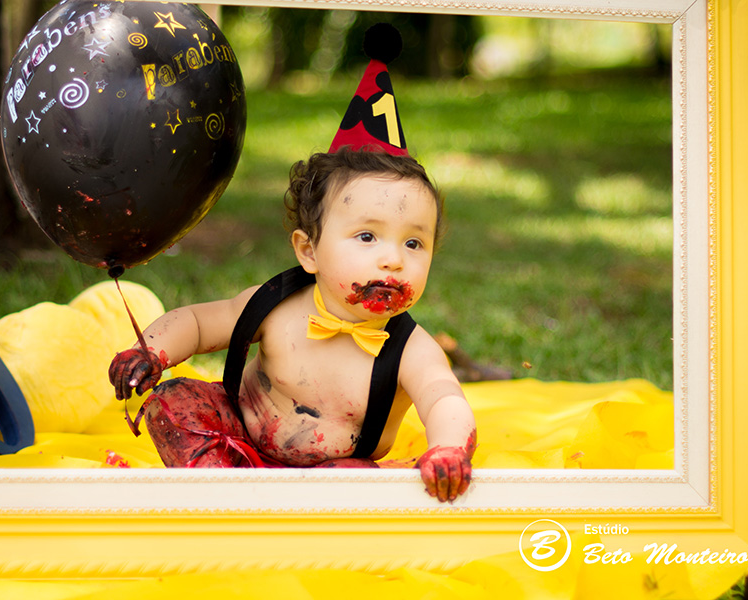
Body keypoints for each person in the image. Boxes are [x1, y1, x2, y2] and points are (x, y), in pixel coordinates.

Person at [108, 24, 477, 502]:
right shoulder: (277, 307)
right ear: (308, 251)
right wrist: (150, 351)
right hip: (237, 443)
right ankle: (226, 494)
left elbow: (444, 397)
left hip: (335, 474)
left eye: (414, 244)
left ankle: (300, 509)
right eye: (367, 236)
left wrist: (448, 448)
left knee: (365, 487)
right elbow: (200, 323)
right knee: (173, 403)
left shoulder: (410, 350)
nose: (392, 259)